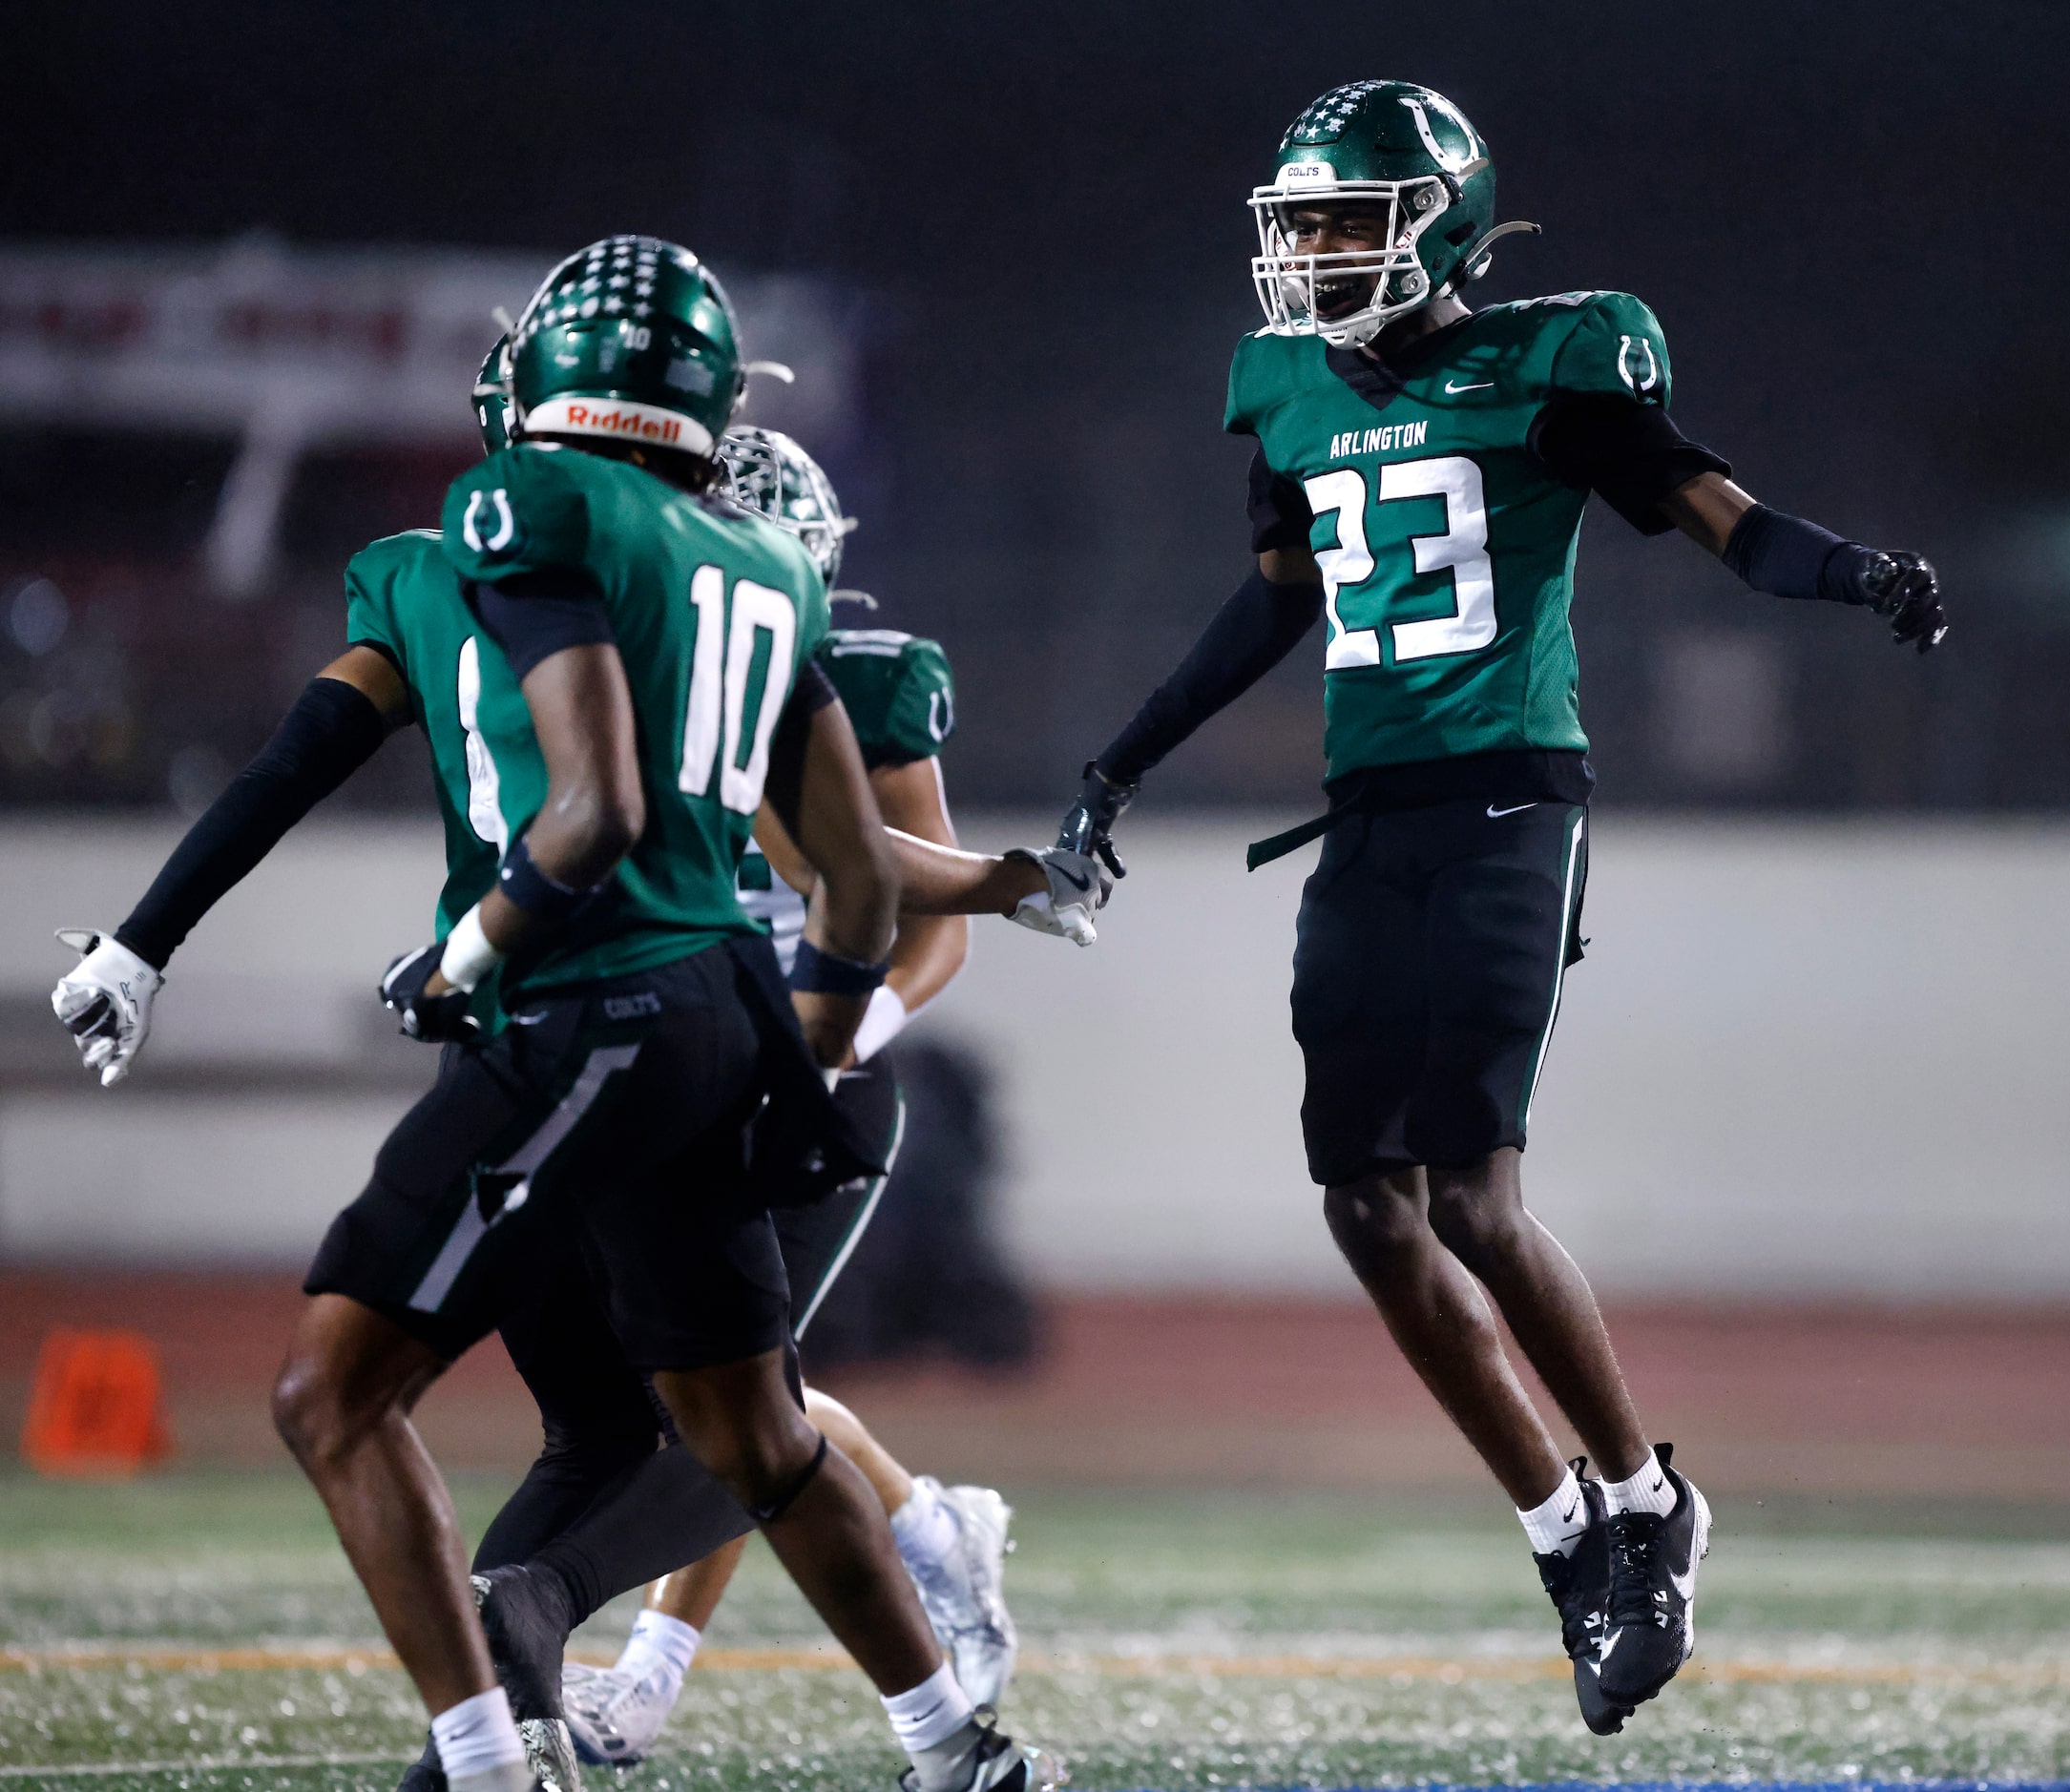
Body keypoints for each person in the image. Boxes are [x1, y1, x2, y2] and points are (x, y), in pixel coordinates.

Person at [50, 238, 1088, 1792]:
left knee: (333, 1388)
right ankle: (956, 1748)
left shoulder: (518, 514)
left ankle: (482, 1763)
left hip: (573, 1004)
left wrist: (460, 948)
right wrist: (819, 1027)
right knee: (749, 1426)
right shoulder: (756, 562)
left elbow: (577, 813)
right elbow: (859, 884)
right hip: (716, 1025)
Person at [1052, 81, 1949, 1736]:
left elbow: (1720, 522)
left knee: (1471, 1195)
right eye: (1299, 223)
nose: (1313, 255)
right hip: (1366, 817)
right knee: (1360, 1205)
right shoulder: (1288, 392)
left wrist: (1856, 572)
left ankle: (1644, 1498)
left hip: (1509, 802)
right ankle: (1562, 1538)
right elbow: (1271, 610)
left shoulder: (1557, 360)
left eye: (1345, 221)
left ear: (1440, 222)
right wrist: (1116, 764)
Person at [554, 426, 1018, 1767]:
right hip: (681, 1056)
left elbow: (932, 914)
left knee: (723, 1391)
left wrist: (842, 1033)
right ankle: (931, 1525)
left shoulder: (868, 686)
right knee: (726, 1384)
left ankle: (648, 1676)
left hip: (809, 1071)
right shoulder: (631, 680)